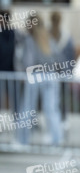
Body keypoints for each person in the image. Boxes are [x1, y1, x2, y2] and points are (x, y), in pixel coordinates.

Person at [19, 15, 63, 146]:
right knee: (51, 109)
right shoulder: (48, 38)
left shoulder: (29, 40)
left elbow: (28, 61)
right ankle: (57, 140)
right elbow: (58, 58)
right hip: (51, 76)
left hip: (35, 76)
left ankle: (23, 141)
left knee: (27, 109)